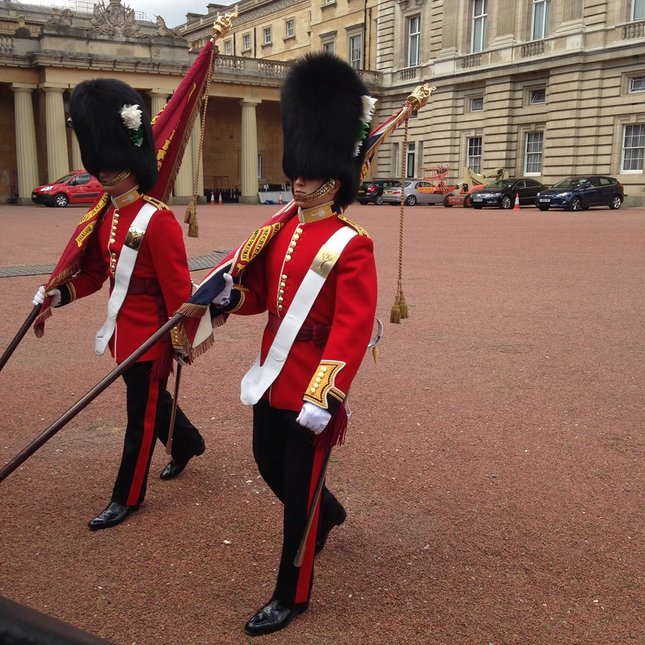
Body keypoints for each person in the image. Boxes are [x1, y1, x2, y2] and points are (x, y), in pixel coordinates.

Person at [209, 52, 378, 636]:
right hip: (271, 373)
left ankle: (293, 593)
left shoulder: (352, 244)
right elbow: (263, 295)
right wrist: (230, 299)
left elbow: (352, 327)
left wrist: (324, 392)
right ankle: (328, 513)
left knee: (297, 495)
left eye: (306, 174)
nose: (296, 180)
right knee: (267, 464)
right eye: (295, 172)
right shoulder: (278, 230)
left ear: (332, 177)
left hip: (311, 384)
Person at [32, 79, 206, 530]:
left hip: (151, 336)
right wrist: (57, 294)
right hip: (122, 331)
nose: (104, 173)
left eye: (112, 166)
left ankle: (126, 496)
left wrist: (180, 339)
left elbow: (178, 289)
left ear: (131, 163)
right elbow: (94, 275)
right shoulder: (109, 213)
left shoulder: (158, 219)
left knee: (139, 419)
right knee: (146, 399)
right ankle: (186, 442)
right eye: (101, 167)